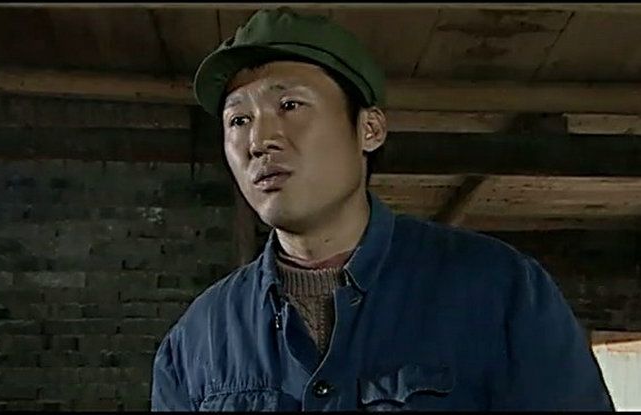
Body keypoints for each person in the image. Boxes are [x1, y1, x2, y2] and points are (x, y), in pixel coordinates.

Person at [151, 7, 614, 411]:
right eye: (238, 120)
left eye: (290, 104)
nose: (259, 140)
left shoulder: (500, 292)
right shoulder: (196, 341)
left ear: (369, 129)